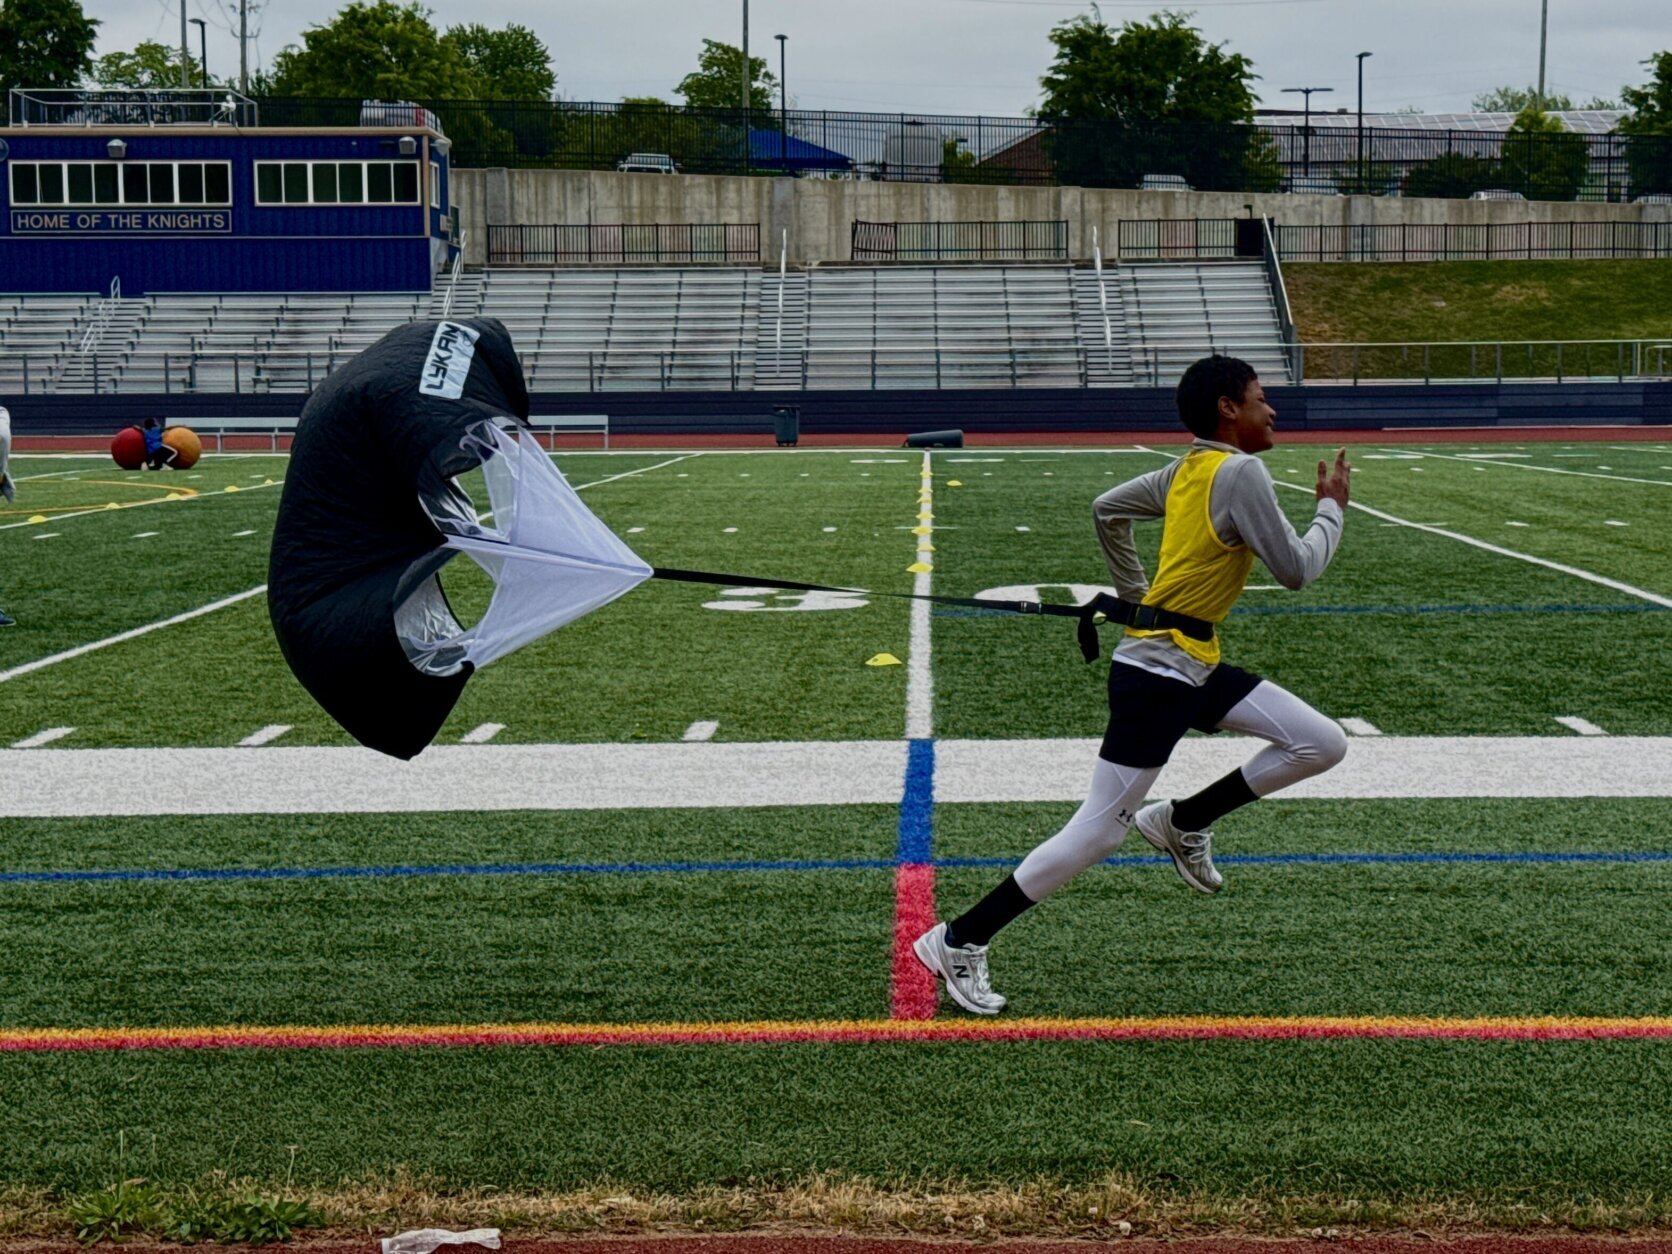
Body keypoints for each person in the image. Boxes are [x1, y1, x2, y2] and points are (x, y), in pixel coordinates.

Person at [915, 354, 1353, 1015]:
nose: (1273, 410)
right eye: (1262, 398)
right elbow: (1295, 569)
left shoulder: (1187, 471)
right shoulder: (1240, 471)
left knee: (1320, 742)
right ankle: (960, 938)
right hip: (1158, 674)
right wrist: (1330, 511)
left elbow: (1106, 509)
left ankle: (1183, 820)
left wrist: (1137, 597)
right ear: (1228, 410)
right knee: (1097, 832)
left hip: (1189, 659)